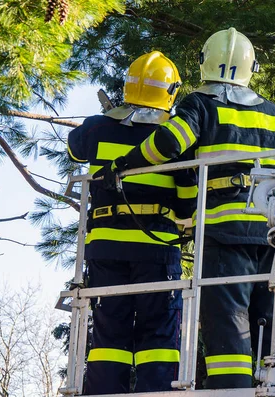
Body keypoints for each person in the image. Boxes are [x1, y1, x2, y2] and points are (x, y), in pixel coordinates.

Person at [95, 28, 275, 389]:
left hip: (223, 233)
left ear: (204, 63)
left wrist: (124, 164)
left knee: (227, 324)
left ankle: (230, 392)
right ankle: (270, 388)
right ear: (252, 68)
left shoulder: (200, 104)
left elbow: (169, 141)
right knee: (267, 321)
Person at [67, 51, 196, 394]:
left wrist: (109, 118)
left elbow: (74, 148)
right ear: (170, 91)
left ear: (128, 87)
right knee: (158, 331)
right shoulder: (174, 134)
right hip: (155, 248)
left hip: (104, 247)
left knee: (110, 330)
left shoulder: (97, 127)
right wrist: (186, 223)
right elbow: (187, 198)